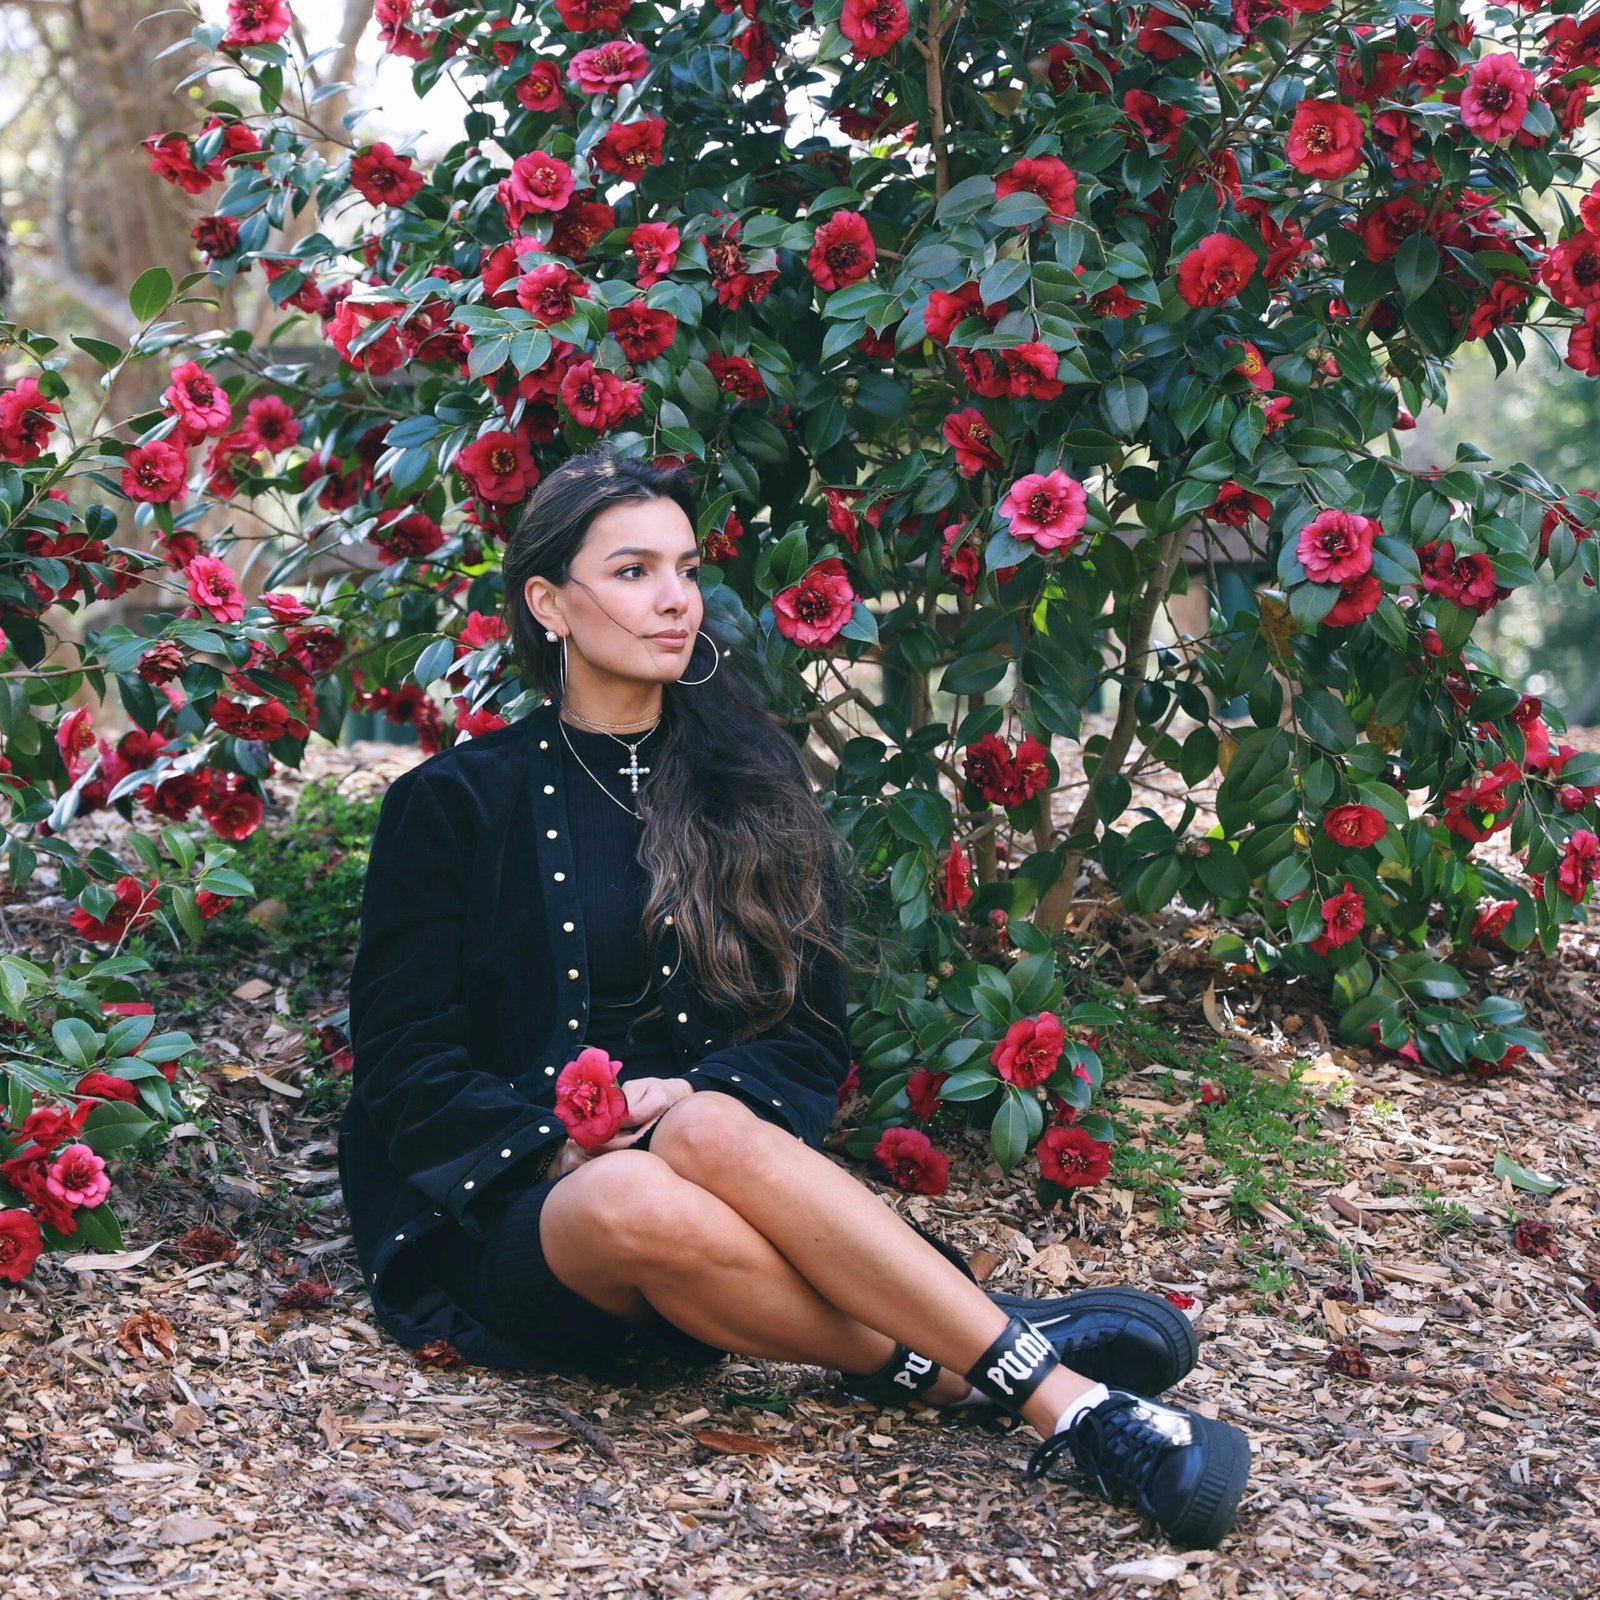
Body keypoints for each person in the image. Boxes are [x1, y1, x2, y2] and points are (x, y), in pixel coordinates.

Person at [339, 449, 1251, 1550]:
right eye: (632, 570)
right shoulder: (451, 803)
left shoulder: (750, 782)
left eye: (683, 568)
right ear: (548, 603)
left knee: (706, 1121)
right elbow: (403, 1062)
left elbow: (806, 1035)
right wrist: (551, 1148)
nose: (674, 597)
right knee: (628, 1193)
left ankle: (1067, 1410)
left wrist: (690, 1095)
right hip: (524, 1227)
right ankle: (995, 1362)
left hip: (709, 1203)